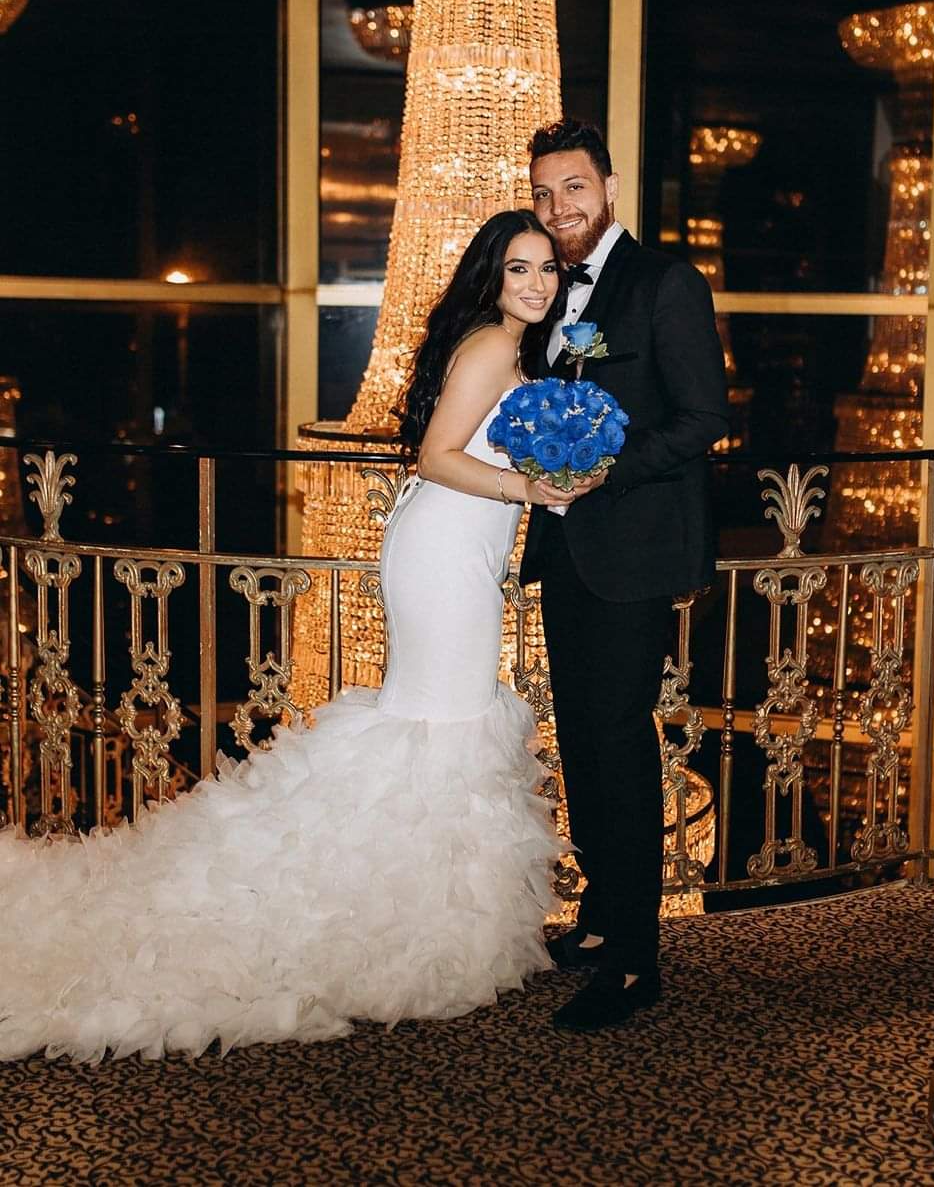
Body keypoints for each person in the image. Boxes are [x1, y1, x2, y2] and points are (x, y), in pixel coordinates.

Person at [0, 209, 578, 1063]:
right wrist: (530, 489)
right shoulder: (494, 345)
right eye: (519, 268)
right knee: (444, 724)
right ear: (492, 276)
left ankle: (406, 904)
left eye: (547, 269)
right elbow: (435, 455)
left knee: (436, 722)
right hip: (447, 552)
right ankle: (406, 917)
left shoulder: (513, 349)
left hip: (456, 546)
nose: (536, 283)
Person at [521, 118, 730, 1033]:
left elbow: (703, 417)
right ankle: (604, 916)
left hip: (634, 550)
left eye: (573, 187)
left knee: (619, 742)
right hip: (567, 551)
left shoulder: (665, 283)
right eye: (543, 192)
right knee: (581, 739)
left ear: (608, 187)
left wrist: (603, 467)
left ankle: (637, 961)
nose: (558, 206)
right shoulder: (549, 290)